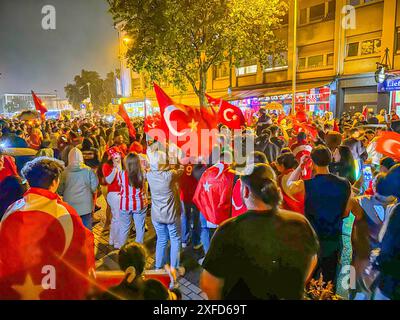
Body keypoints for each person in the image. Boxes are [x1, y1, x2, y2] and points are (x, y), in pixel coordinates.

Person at [200, 163, 319, 300]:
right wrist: (295, 284)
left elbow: (209, 284)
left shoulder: (229, 230)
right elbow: (312, 258)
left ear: (245, 191)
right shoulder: (299, 223)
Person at [0, 157, 95, 299]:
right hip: (52, 289)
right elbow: (81, 254)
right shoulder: (64, 213)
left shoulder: (12, 209)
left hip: (15, 288)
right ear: (55, 182)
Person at [287, 145, 351, 284]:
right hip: (333, 239)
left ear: (313, 162)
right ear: (330, 160)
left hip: (313, 239)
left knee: (309, 279)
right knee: (329, 281)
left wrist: (300, 165)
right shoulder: (345, 184)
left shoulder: (308, 184)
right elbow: (346, 213)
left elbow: (289, 185)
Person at [146, 151, 183, 278]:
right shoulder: (169, 175)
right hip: (171, 214)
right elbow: (181, 169)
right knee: (175, 239)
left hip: (157, 214)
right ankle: (174, 268)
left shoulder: (149, 175)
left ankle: (158, 267)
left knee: (161, 239)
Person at [98, 242, 179, 300]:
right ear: (144, 265)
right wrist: (174, 286)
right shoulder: (155, 287)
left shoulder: (109, 294)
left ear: (121, 266)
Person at [58, 148, 99, 230]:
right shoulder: (88, 170)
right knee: (86, 230)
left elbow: (60, 190)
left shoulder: (64, 173)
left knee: (73, 230)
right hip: (86, 206)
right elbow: (94, 187)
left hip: (70, 206)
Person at [118, 153, 149, 245]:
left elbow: (120, 185)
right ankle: (138, 250)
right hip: (140, 204)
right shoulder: (143, 173)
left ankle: (122, 250)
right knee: (140, 228)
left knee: (124, 228)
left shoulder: (121, 174)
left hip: (125, 204)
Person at [102, 147, 123, 249]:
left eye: (118, 154)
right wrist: (115, 168)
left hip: (120, 193)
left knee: (116, 219)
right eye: (115, 155)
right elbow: (109, 181)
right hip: (113, 194)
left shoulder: (120, 164)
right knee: (117, 218)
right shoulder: (106, 166)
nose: (117, 157)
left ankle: (112, 240)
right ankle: (117, 243)